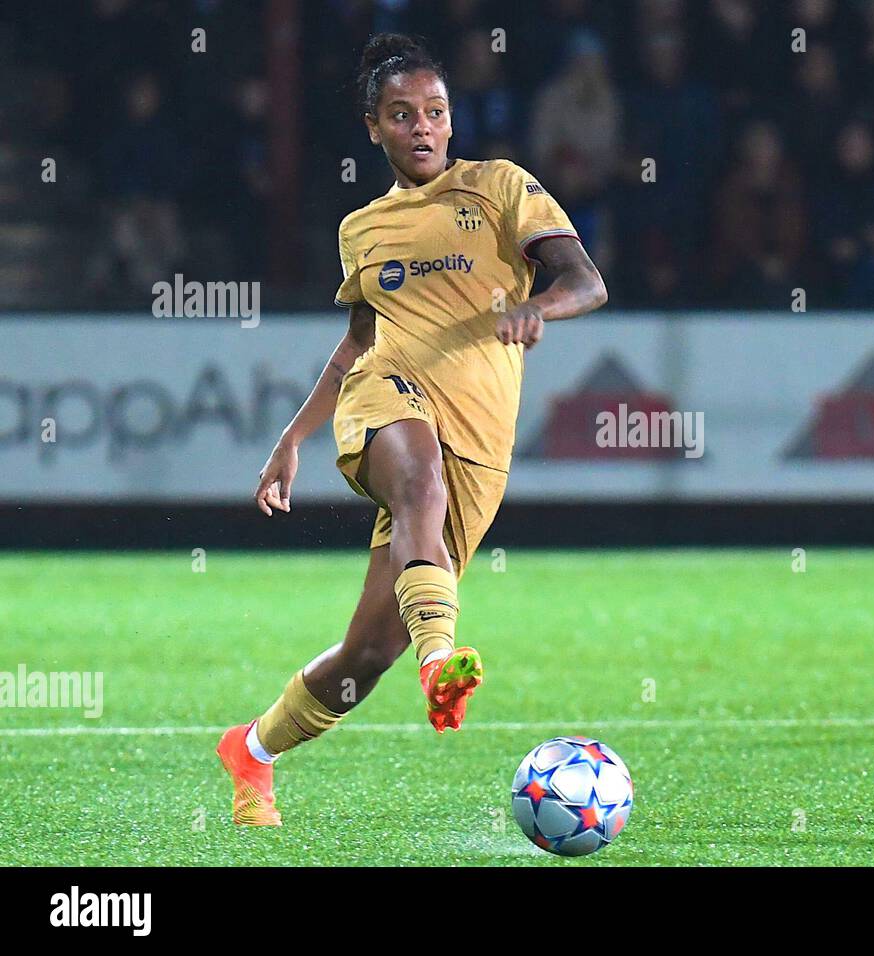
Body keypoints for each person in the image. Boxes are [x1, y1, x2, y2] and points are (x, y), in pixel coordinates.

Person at [215, 33, 607, 825]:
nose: (421, 127)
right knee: (417, 474)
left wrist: (537, 306)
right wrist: (293, 437)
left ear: (452, 120)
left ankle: (250, 750)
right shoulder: (364, 229)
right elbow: (360, 344)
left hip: (480, 446)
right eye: (402, 115)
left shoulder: (499, 187)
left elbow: (584, 280)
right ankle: (442, 661)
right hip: (387, 400)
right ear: (374, 128)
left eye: (434, 112)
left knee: (363, 659)